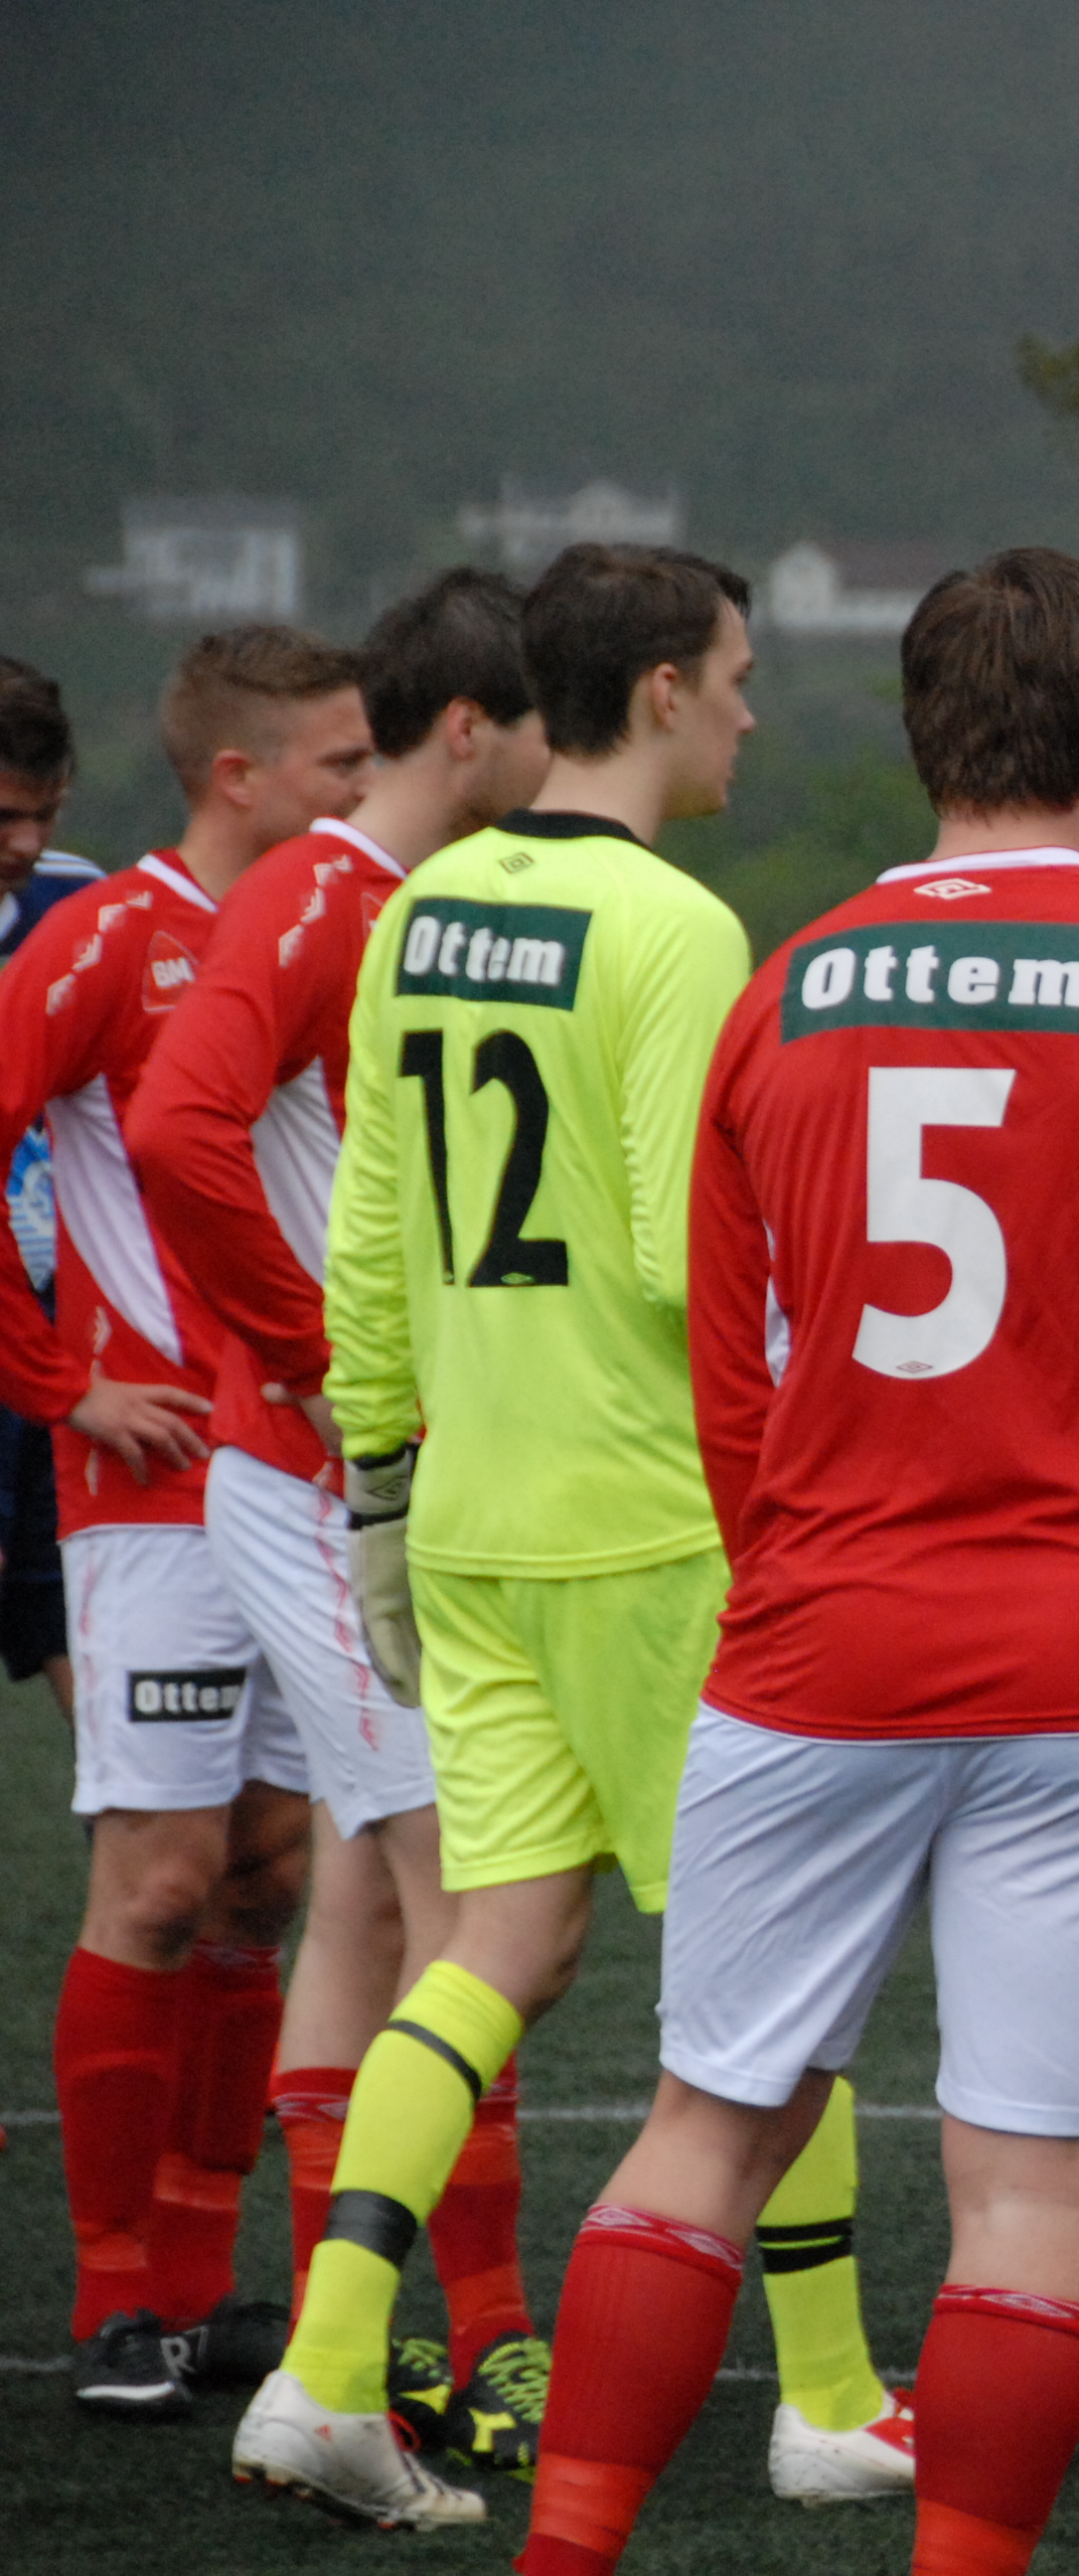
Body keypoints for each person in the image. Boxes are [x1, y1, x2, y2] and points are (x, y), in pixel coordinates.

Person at [514, 546, 1079, 2576]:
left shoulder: (782, 990)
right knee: (1025, 2199)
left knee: (704, 2133)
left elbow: (727, 1374)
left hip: (816, 1639)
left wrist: (795, 1579)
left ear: (922, 734)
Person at [236, 545, 902, 2529]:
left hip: (470, 1520)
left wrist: (378, 1483)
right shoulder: (678, 928)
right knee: (777, 1953)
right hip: (650, 1525)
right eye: (739, 674)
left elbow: (367, 1232)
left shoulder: (429, 900)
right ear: (666, 690)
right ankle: (831, 2396)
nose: (755, 710)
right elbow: (695, 1256)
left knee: (494, 1949)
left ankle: (324, 2373)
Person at [128, 572, 557, 2473]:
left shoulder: (424, 902)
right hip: (320, 1486)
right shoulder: (317, 891)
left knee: (376, 1906)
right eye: (539, 721)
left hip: (375, 1480)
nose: (557, 752)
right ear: (471, 728)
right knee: (478, 1905)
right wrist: (308, 1353)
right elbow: (177, 1127)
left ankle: (359, 2345)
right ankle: (467, 2348)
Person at [1, 628, 367, 2421]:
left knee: (272, 1874)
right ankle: (112, 2298)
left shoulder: (343, 925)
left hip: (308, 1479)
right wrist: (57, 1381)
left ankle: (211, 2283)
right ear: (241, 774)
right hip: (148, 1491)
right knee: (157, 1878)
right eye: (339, 763)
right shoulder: (105, 936)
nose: (367, 789)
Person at [0, 658, 105, 1718]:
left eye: (46, 813)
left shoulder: (84, 904)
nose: (26, 844)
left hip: (57, 1337)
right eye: (3, 817)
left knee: (94, 1654)